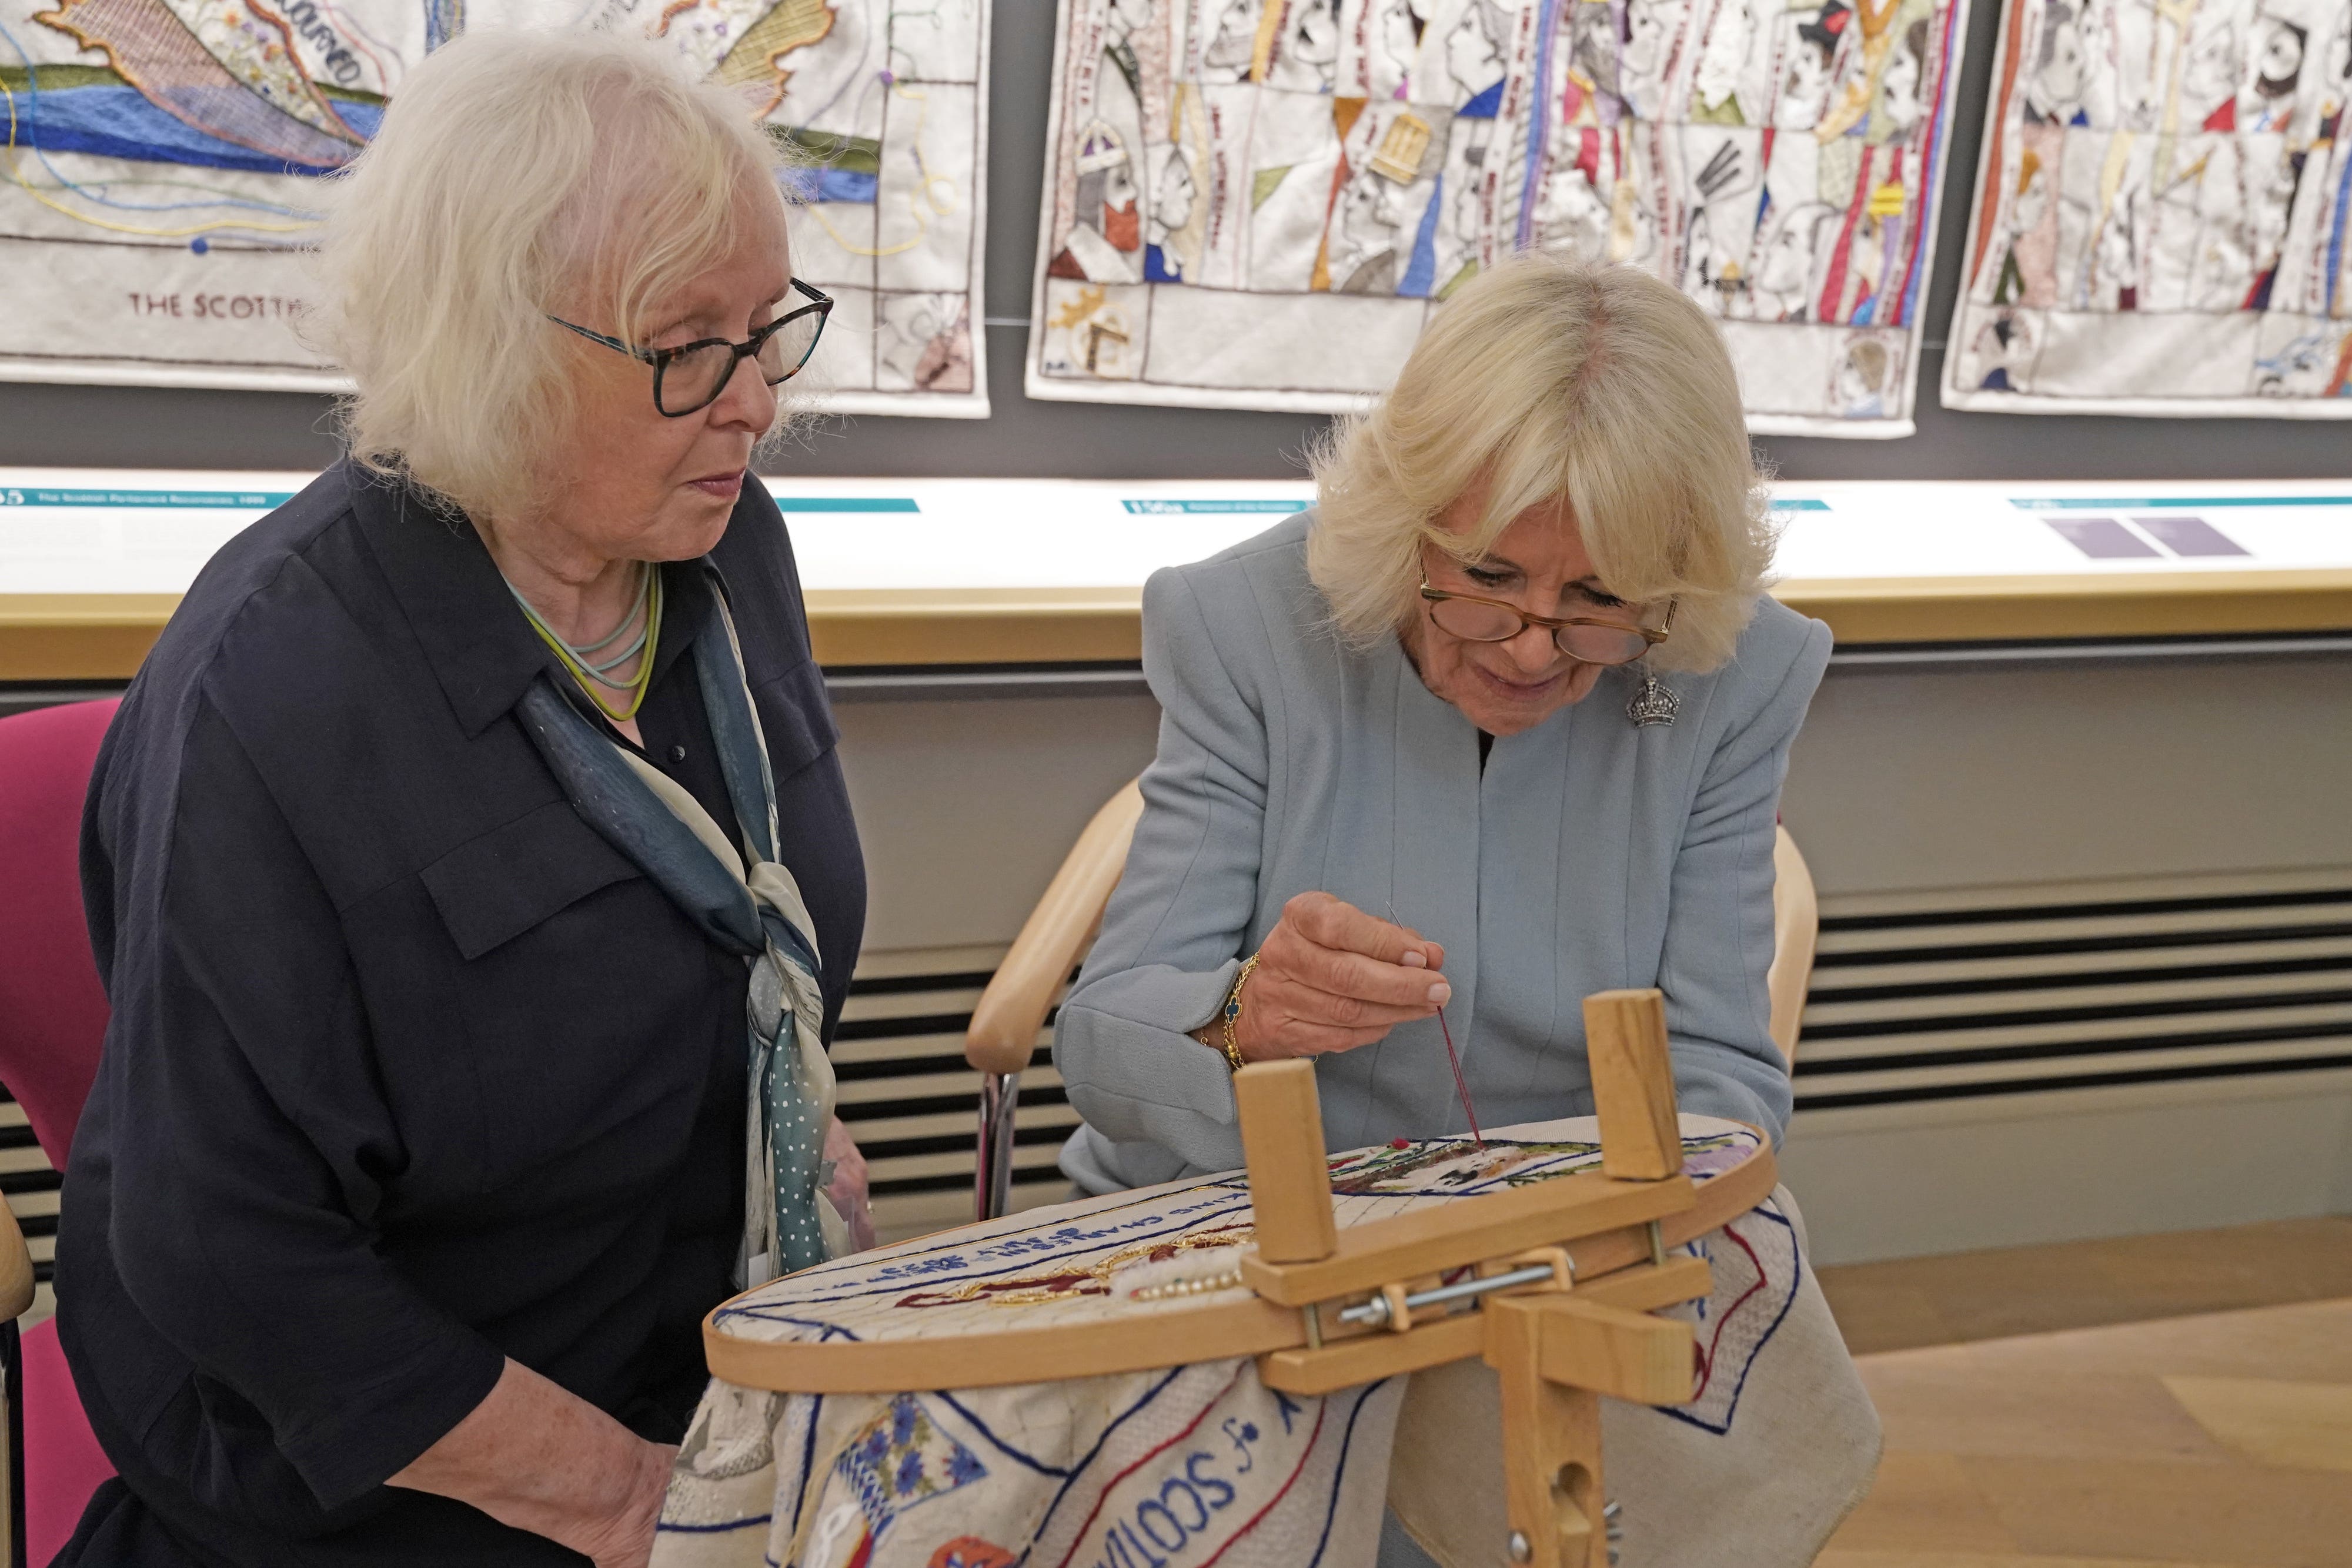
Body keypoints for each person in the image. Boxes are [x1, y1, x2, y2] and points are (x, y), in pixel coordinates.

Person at [57, 30, 869, 1567]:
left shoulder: (724, 544)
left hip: (700, 1401)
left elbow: (764, 945)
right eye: (689, 344)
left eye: (769, 328)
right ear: (489, 342)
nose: (757, 401)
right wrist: (637, 1508)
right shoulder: (276, 689)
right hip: (399, 1493)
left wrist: (821, 1210)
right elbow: (222, 1251)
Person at [1054, 255, 1830, 1195]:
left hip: (1565, 1223)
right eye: (1489, 580)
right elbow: (1103, 1048)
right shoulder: (1243, 624)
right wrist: (1241, 1014)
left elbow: (1722, 1070)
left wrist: (1623, 1221)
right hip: (1251, 1209)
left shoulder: (1738, 672)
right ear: (1403, 522)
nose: (1532, 653)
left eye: (1600, 598)